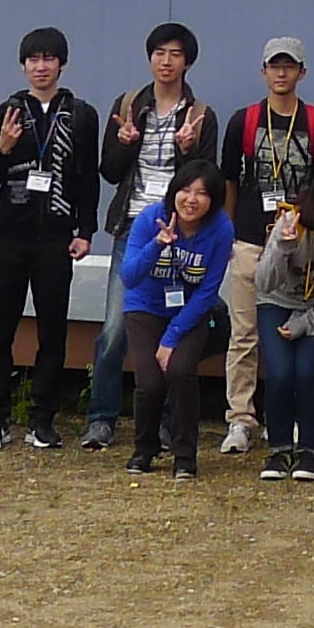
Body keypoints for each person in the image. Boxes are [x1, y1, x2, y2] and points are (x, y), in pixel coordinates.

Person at [0, 25, 99, 451]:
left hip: (56, 238)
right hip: (8, 235)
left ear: (62, 64)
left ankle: (43, 420)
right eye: (33, 59)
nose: (40, 67)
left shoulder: (81, 115)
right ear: (23, 65)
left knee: (52, 333)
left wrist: (86, 231)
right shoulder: (4, 113)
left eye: (48, 59)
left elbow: (88, 178)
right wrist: (3, 147)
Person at [87, 23, 217, 451]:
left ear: (187, 62)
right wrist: (126, 143)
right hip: (133, 227)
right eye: (159, 53)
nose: (166, 61)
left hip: (180, 232)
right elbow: (109, 171)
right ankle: (101, 418)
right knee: (114, 328)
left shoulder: (200, 114)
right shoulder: (128, 105)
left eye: (175, 54)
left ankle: (163, 424)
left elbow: (207, 181)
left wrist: (186, 149)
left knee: (167, 325)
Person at [230, 164, 314, 476]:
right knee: (280, 373)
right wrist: (283, 246)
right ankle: (279, 450)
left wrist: (304, 324)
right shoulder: (290, 222)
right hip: (275, 302)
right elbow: (264, 282)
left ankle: (310, 451)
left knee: (308, 373)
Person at [115, 167, 237, 479]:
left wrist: (171, 338)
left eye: (202, 193)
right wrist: (157, 244)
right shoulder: (151, 217)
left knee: (181, 371)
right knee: (150, 382)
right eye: (186, 190)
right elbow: (129, 276)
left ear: (214, 200)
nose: (191, 199)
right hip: (145, 307)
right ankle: (145, 449)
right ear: (174, 192)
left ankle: (184, 455)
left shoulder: (221, 229)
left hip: (190, 311)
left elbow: (208, 290)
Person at [216, 35, 314, 232]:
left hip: (302, 232)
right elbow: (230, 177)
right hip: (249, 233)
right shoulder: (244, 119)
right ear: (264, 72)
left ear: (302, 72)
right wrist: (228, 228)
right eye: (274, 66)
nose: (281, 73)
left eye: (289, 66)